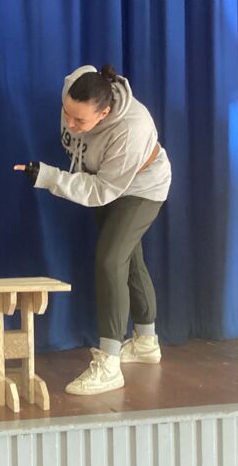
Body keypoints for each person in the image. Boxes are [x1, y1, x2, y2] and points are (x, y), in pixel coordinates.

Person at [15, 65, 171, 395]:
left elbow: (102, 191)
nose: (70, 124)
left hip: (141, 187)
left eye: (80, 120)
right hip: (102, 178)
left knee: (110, 260)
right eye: (66, 113)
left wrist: (49, 177)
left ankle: (110, 364)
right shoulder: (77, 84)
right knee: (128, 259)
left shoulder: (132, 129)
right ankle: (146, 342)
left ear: (104, 113)